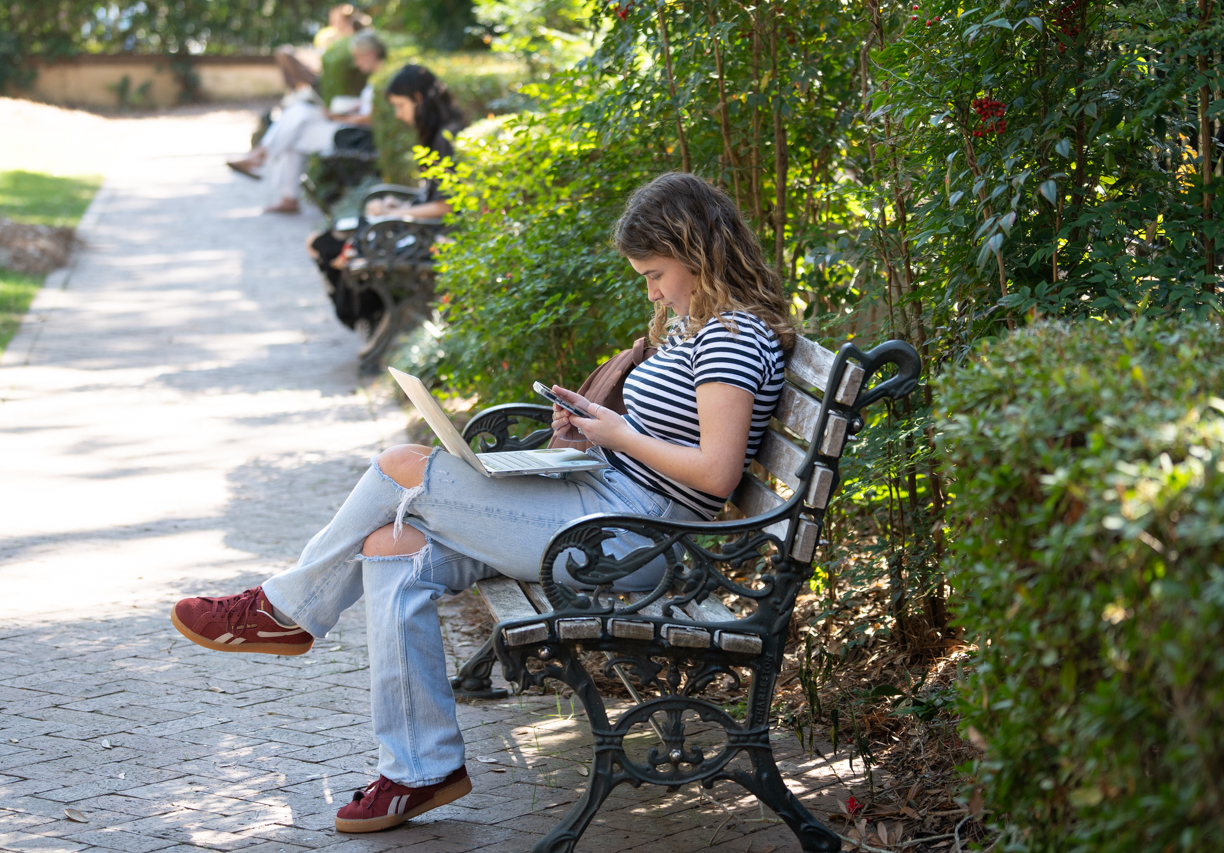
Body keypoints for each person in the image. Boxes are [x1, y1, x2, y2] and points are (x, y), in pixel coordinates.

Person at [169, 172, 795, 833]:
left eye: (656, 271)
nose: (652, 290)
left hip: (634, 540)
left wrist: (619, 434)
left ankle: (285, 608)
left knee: (400, 468)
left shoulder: (731, 336)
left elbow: (718, 474)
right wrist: (587, 431)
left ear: (697, 252)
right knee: (394, 547)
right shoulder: (700, 328)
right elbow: (668, 442)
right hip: (605, 504)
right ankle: (419, 768)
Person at [308, 64, 464, 331]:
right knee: (324, 243)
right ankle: (374, 317)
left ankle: (374, 315)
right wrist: (399, 205)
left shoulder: (447, 136)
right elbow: (435, 196)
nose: (398, 115)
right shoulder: (441, 133)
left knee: (325, 245)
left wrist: (395, 214)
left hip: (430, 236)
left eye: (400, 106)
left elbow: (448, 205)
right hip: (420, 231)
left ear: (418, 99)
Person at [226, 31, 387, 214]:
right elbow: (368, 109)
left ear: (371, 53)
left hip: (352, 133)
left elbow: (372, 118)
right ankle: (272, 173)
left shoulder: (382, 79)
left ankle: (264, 161)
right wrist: (348, 109)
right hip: (347, 126)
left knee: (297, 124)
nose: (356, 63)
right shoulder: (378, 77)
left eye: (359, 57)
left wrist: (338, 117)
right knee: (298, 114)